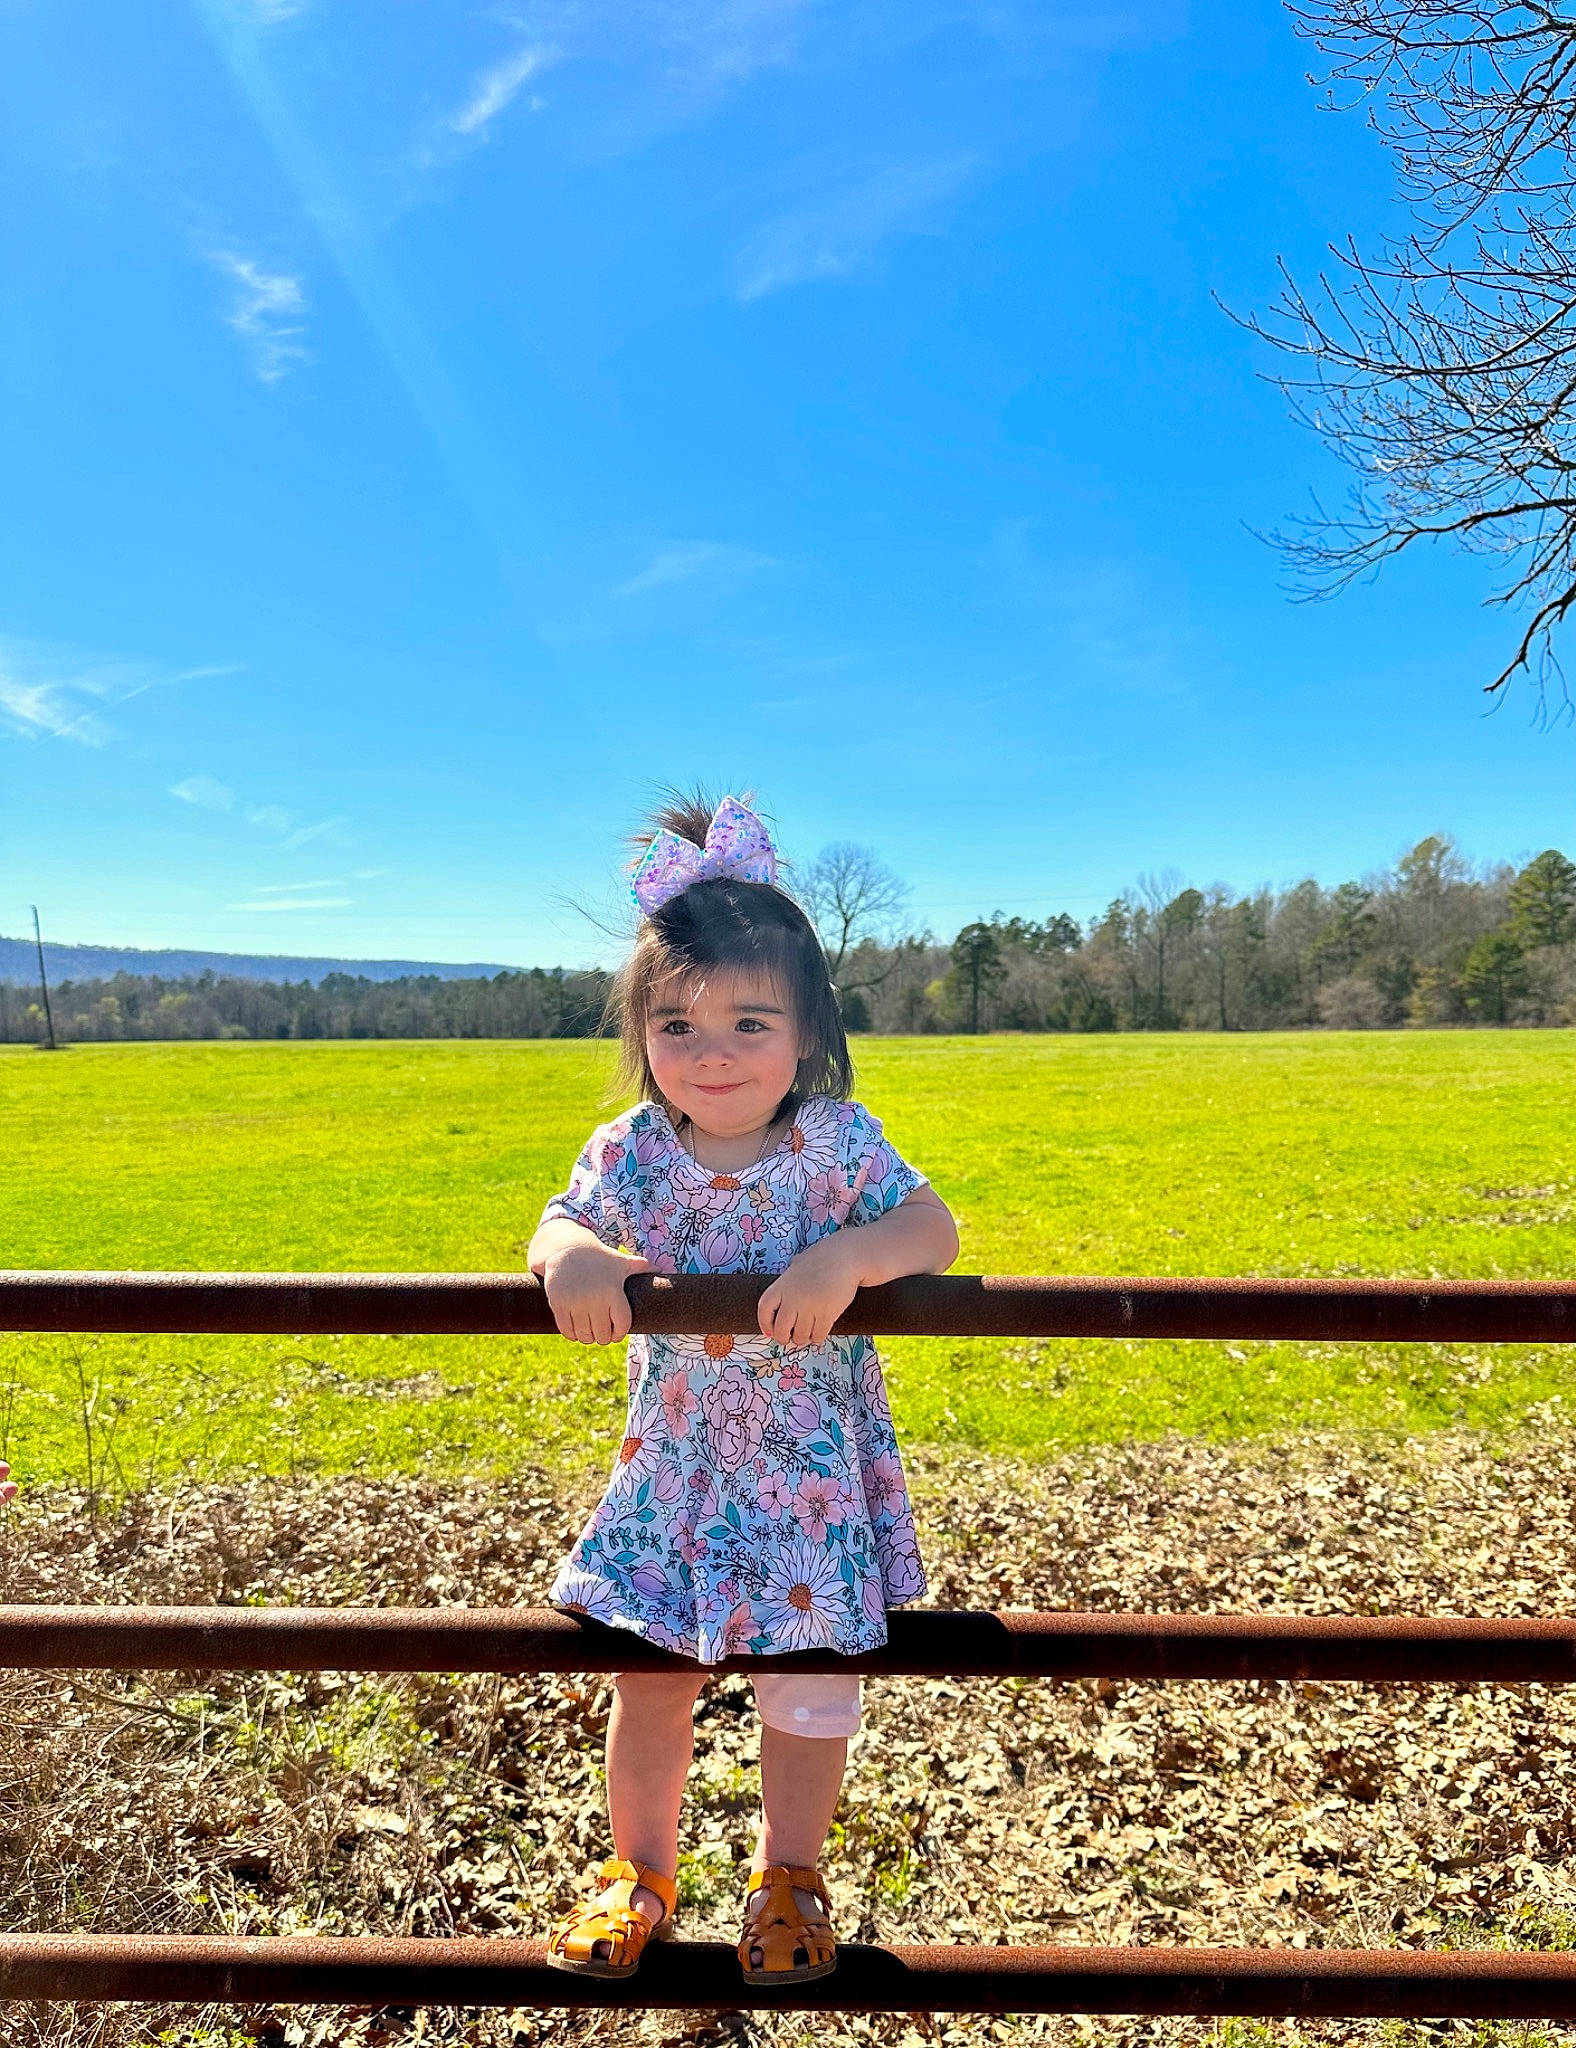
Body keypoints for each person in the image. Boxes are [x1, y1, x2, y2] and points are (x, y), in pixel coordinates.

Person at [529, 792, 958, 1986]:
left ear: (808, 1032)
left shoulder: (839, 1142)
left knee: (809, 1691)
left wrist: (848, 1254)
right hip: (673, 1470)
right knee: (650, 1683)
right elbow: (559, 1221)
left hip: (806, 1481)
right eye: (675, 1023)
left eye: (748, 1020)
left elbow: (933, 1221)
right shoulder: (628, 1151)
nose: (710, 1052)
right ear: (640, 1032)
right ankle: (638, 1871)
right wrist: (572, 1257)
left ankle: (789, 1877)